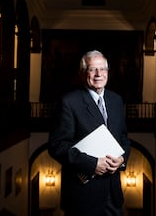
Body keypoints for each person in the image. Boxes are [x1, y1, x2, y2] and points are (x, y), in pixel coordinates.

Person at [48, 50, 131, 216]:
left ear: (108, 72)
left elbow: (124, 138)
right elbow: (57, 146)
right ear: (83, 73)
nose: (99, 74)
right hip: (82, 197)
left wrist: (122, 159)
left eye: (103, 69)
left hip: (113, 196)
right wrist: (92, 165)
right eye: (93, 69)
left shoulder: (116, 100)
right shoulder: (69, 102)